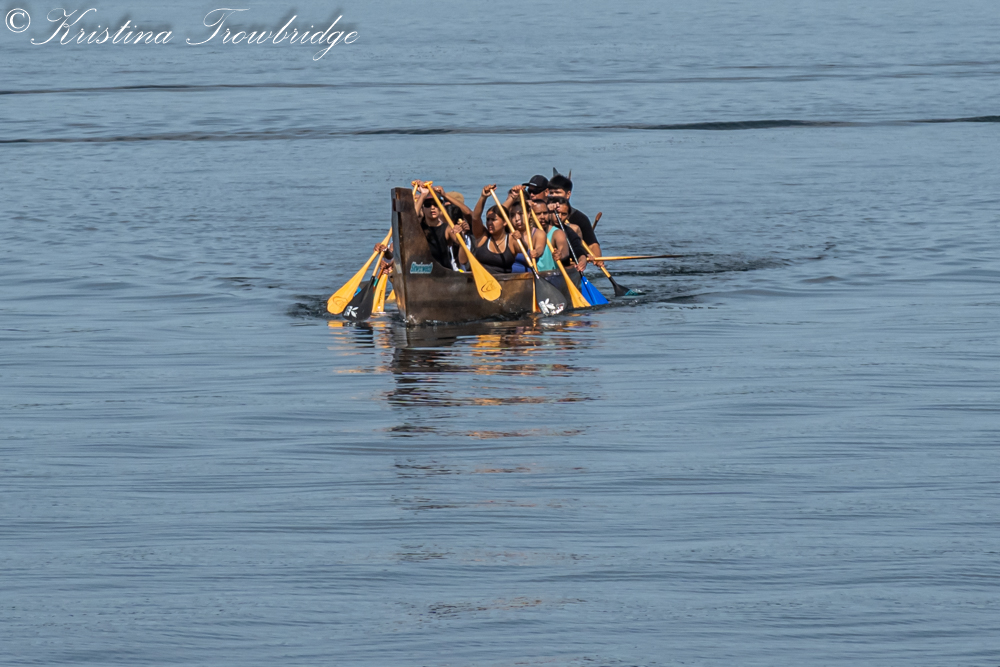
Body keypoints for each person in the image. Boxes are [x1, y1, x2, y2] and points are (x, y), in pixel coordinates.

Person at [548, 173, 602, 264]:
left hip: (570, 262)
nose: (554, 196)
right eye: (551, 193)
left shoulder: (579, 218)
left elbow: (592, 244)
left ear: (568, 194)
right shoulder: (543, 214)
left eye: (557, 192)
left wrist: (597, 258)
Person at [413, 185, 470, 270]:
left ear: (441, 207)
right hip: (422, 272)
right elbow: (410, 218)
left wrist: (462, 236)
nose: (432, 208)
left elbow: (463, 260)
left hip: (444, 273)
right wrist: (423, 195)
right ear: (423, 208)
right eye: (428, 205)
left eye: (436, 204)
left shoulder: (448, 229)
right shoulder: (417, 227)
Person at [457, 205, 517, 274]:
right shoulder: (483, 236)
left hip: (504, 280)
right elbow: (475, 217)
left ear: (505, 222)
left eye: (493, 220)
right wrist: (483, 198)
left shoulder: (512, 239)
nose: (489, 223)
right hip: (481, 279)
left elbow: (525, 250)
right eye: (488, 219)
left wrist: (521, 240)